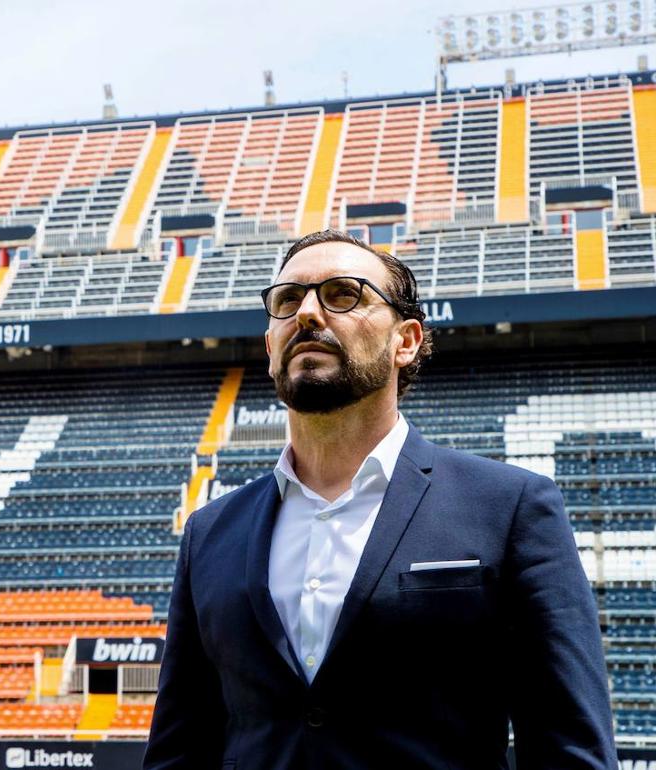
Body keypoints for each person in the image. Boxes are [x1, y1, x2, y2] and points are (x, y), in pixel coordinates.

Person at [144, 229, 615, 769]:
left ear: (406, 340)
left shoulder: (510, 507)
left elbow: (571, 750)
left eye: (343, 294)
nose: (308, 313)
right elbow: (179, 748)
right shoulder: (210, 531)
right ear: (270, 344)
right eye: (287, 300)